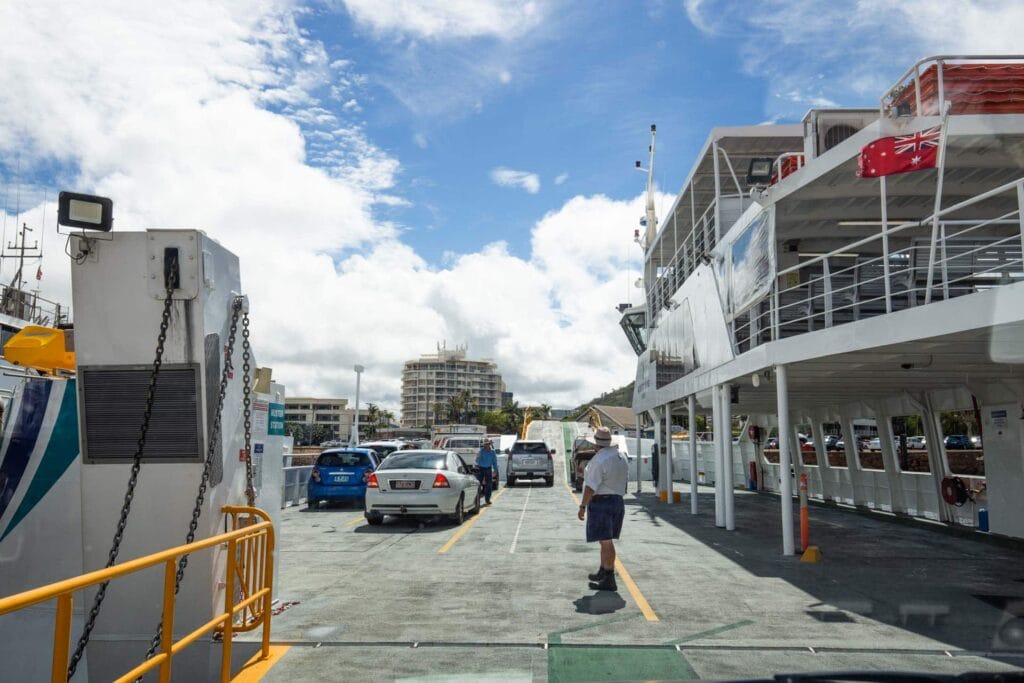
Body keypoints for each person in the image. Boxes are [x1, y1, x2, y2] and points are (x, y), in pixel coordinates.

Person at [577, 427, 629, 591]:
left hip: (602, 502)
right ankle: (603, 571)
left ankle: (609, 577)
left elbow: (590, 487)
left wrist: (582, 506)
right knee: (604, 540)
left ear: (596, 444)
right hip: (617, 501)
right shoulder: (621, 456)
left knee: (606, 542)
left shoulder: (599, 460)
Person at [476, 439, 497, 505]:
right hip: (481, 469)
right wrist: (478, 457)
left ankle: (487, 499)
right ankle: (477, 501)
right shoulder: (481, 451)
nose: (486, 446)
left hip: (488, 469)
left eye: (488, 444)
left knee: (489, 485)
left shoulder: (493, 452)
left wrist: (495, 470)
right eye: (485, 444)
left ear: (489, 445)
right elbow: (477, 461)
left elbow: (494, 461)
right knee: (478, 484)